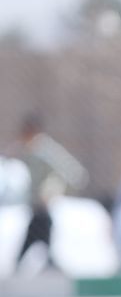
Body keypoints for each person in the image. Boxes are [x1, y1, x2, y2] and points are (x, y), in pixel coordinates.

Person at [12, 114, 88, 272]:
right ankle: (48, 261)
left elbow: (71, 172)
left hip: (42, 204)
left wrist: (51, 189)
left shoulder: (44, 150)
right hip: (37, 206)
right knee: (40, 232)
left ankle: (38, 262)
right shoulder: (29, 149)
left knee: (37, 231)